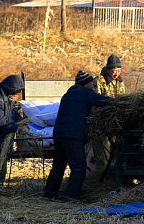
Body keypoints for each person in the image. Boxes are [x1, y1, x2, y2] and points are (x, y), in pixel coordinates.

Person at [44, 71, 114, 200]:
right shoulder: (85, 93)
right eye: (91, 83)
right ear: (86, 83)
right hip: (73, 135)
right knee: (79, 167)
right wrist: (117, 101)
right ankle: (71, 195)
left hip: (59, 133)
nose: (93, 85)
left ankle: (49, 192)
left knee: (58, 166)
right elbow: (102, 101)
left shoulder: (68, 94)